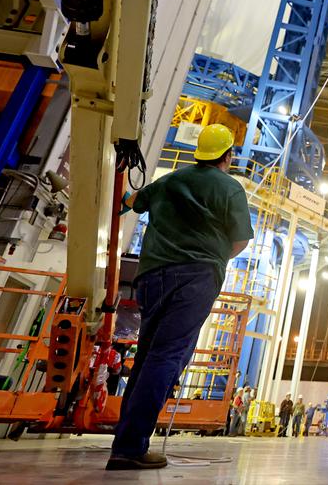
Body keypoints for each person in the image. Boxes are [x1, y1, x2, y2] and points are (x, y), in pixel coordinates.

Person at [106, 124, 253, 471]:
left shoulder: (169, 180)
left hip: (152, 274)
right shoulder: (230, 188)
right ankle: (130, 447)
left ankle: (126, 442)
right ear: (228, 156)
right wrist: (212, 258)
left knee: (145, 357)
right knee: (167, 356)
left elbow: (129, 202)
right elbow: (241, 241)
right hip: (197, 275)